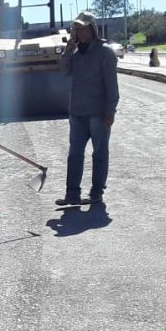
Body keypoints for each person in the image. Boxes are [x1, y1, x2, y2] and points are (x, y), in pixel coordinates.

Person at [56, 11, 119, 206]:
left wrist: (110, 111)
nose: (81, 33)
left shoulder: (105, 52)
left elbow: (112, 85)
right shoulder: (75, 52)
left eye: (84, 29)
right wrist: (68, 49)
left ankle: (96, 192)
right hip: (77, 112)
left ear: (93, 29)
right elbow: (64, 71)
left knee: (99, 153)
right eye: (77, 29)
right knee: (75, 153)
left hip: (98, 113)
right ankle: (72, 193)